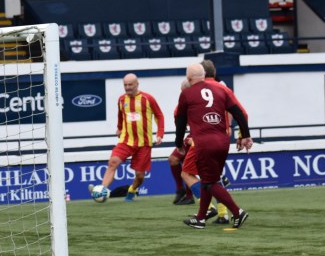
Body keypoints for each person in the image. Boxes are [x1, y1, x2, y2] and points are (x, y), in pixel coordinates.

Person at [174, 62, 252, 229]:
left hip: (204, 143)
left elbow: (180, 122)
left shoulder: (186, 94)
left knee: (210, 183)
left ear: (189, 78)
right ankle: (201, 218)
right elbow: (239, 113)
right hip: (223, 141)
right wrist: (245, 135)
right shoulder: (221, 89)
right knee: (208, 180)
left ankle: (237, 212)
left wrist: (178, 143)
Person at [90, 73, 164, 202]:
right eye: (125, 85)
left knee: (140, 176)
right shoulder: (122, 99)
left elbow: (159, 115)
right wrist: (119, 128)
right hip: (126, 140)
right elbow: (121, 116)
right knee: (113, 162)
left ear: (137, 84)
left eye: (130, 84)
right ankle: (101, 191)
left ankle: (132, 190)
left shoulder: (148, 99)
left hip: (144, 143)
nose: (127, 87)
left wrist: (160, 134)